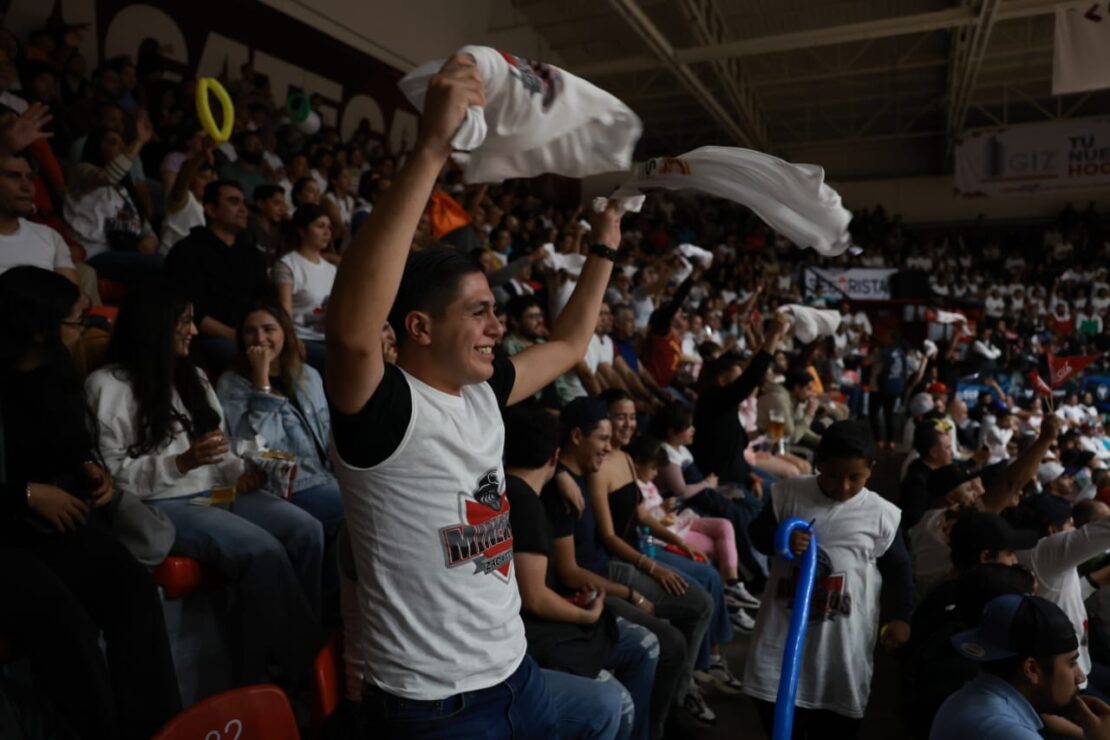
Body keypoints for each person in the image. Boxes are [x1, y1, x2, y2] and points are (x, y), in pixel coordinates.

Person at [324, 55, 624, 736]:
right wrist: (432, 148)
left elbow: (570, 344)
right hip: (437, 709)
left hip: (517, 672)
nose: (498, 327)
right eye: (479, 312)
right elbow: (348, 333)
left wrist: (603, 249)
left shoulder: (485, 394)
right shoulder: (385, 412)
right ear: (420, 328)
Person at [85, 280, 322, 683]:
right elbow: (116, 477)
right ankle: (306, 670)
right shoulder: (106, 385)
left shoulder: (192, 375)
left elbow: (218, 446)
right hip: (165, 502)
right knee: (262, 550)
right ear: (156, 324)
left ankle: (275, 655)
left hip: (216, 491)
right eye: (185, 322)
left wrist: (241, 473)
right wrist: (181, 462)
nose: (194, 331)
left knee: (306, 530)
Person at [0, 266, 180, 739]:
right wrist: (26, 493)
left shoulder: (53, 372)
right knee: (64, 622)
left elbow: (68, 444)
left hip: (48, 521)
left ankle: (156, 729)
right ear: (37, 328)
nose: (84, 329)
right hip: (8, 530)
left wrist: (88, 467)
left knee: (132, 590)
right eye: (75, 321)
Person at [545, 397, 717, 727]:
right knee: (667, 641)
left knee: (700, 602)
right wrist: (634, 590)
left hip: (609, 569)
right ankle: (655, 725)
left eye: (629, 418)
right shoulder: (566, 484)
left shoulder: (588, 468)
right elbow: (573, 568)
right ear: (578, 436)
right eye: (604, 436)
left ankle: (674, 701)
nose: (609, 445)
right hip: (596, 581)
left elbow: (637, 513)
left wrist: (676, 544)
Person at [745, 420, 914, 737]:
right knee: (776, 714)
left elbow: (899, 569)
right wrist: (781, 539)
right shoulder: (789, 494)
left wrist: (901, 616)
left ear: (871, 470)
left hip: (841, 647)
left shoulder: (882, 515)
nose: (844, 486)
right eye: (834, 475)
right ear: (820, 464)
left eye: (855, 477)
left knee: (836, 723)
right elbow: (757, 534)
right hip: (780, 637)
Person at [503, 403, 656, 740]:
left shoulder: (514, 490)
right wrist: (585, 615)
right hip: (535, 638)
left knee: (645, 644)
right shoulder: (524, 503)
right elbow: (534, 598)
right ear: (556, 455)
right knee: (619, 702)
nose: (607, 446)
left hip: (545, 622)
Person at [217, 301, 345, 620]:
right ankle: (318, 618)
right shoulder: (232, 383)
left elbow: (328, 433)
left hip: (323, 476)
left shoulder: (308, 375)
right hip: (280, 484)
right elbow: (257, 448)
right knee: (354, 511)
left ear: (284, 333)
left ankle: (338, 610)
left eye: (268, 329)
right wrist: (261, 382)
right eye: (250, 331)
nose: (260, 338)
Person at [929, 594, 1084, 739]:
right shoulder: (1006, 730)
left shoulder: (967, 697)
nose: (1080, 677)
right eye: (1072, 663)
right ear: (1032, 670)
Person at [164, 179, 270, 374]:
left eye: (244, 203)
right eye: (234, 202)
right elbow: (190, 310)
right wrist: (237, 336)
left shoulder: (252, 255)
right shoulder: (187, 251)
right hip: (204, 338)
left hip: (252, 335)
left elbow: (265, 300)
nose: (243, 209)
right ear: (211, 210)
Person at [691, 313, 787, 486]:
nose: (741, 382)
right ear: (723, 380)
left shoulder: (723, 405)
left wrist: (750, 474)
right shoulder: (713, 400)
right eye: (737, 379)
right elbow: (751, 378)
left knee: (781, 488)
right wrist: (772, 336)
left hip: (742, 471)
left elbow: (748, 372)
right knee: (780, 490)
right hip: (726, 484)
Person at [64, 120, 161, 284]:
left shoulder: (123, 188)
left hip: (127, 252)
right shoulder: (81, 172)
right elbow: (107, 177)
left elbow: (144, 225)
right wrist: (139, 141)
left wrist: (150, 239)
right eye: (113, 142)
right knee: (160, 265)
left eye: (123, 143)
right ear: (97, 148)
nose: (122, 147)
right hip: (94, 254)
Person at [0, 150, 78, 285]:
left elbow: (72, 296)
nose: (26, 186)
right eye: (13, 176)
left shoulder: (50, 237)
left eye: (30, 178)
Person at [274, 203, 336, 371]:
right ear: (302, 231)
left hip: (328, 338)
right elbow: (284, 313)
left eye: (329, 227)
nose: (327, 232)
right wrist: (292, 340)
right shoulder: (288, 265)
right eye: (320, 226)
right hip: (301, 337)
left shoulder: (331, 269)